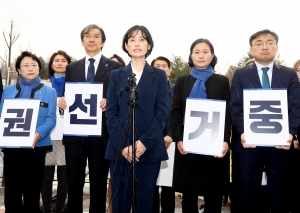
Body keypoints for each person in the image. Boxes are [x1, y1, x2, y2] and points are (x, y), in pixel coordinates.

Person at [230, 29, 300, 212]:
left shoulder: (289, 75)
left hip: (280, 146)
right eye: (259, 43)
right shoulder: (240, 74)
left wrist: (291, 133)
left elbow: (295, 107)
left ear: (276, 48)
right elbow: (235, 108)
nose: (265, 47)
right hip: (248, 145)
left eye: (270, 42)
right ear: (251, 50)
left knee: (279, 197)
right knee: (247, 196)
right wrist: (242, 132)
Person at [57, 24, 122, 213]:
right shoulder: (72, 67)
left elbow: (120, 99)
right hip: (75, 135)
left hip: (101, 135)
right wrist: (62, 103)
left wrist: (109, 102)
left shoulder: (115, 67)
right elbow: (67, 95)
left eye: (96, 36)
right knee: (74, 182)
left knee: (98, 182)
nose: (91, 39)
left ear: (103, 42)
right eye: (87, 36)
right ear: (82, 41)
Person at [105, 25, 169, 213]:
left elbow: (162, 113)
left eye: (142, 39)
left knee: (145, 204)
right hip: (120, 151)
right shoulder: (116, 75)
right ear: (126, 45)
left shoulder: (158, 76)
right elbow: (111, 113)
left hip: (148, 151)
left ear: (149, 45)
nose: (137, 44)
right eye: (132, 40)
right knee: (120, 205)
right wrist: (124, 144)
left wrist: (144, 143)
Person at [171, 38, 231, 213]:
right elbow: (175, 112)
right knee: (189, 194)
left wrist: (225, 140)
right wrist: (179, 139)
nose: (201, 55)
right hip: (188, 146)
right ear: (191, 56)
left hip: (214, 145)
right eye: (197, 52)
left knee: (213, 194)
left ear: (212, 55)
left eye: (205, 51)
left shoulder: (222, 81)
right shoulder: (182, 81)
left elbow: (227, 113)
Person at [0, 51, 57, 212]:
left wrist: (38, 134)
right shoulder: (8, 90)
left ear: (39, 68)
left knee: (32, 193)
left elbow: (51, 119)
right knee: (12, 193)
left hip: (36, 148)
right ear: (18, 69)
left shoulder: (49, 91)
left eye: (34, 65)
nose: (30, 68)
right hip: (12, 149)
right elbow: (2, 115)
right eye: (25, 65)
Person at [41, 50, 72, 213]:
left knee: (64, 177)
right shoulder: (43, 85)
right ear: (51, 64)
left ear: (69, 64)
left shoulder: (75, 85)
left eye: (63, 60)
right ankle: (46, 209)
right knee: (46, 177)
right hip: (47, 136)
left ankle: (59, 209)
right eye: (56, 60)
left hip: (67, 137)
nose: (60, 63)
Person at [151, 56, 175, 213]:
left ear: (170, 70)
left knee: (168, 187)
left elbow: (179, 115)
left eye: (164, 66)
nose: (161, 68)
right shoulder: (144, 89)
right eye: (157, 66)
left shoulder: (177, 89)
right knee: (150, 185)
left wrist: (171, 135)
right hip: (150, 141)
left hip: (170, 143)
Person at [107, 53, 126, 213]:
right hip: (111, 142)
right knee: (112, 183)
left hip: (128, 141)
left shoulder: (127, 83)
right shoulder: (111, 81)